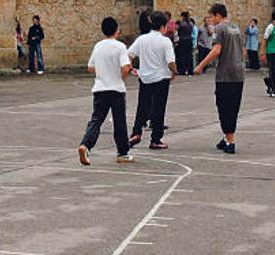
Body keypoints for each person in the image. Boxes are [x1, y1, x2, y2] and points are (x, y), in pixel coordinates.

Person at [77, 17, 134, 165]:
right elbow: (125, 67)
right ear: (116, 30)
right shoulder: (120, 46)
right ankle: (122, 152)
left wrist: (103, 71)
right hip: (116, 88)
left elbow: (90, 67)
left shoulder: (98, 46)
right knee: (119, 121)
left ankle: (85, 145)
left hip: (100, 88)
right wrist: (120, 76)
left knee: (96, 119)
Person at [193, 3, 244, 154]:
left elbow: (216, 50)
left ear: (217, 15)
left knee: (224, 106)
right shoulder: (236, 28)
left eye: (211, 17)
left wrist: (200, 65)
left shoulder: (219, 29)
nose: (210, 20)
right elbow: (243, 49)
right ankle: (226, 138)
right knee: (233, 106)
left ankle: (230, 141)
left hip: (226, 73)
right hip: (239, 72)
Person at [128, 11, 177, 150]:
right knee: (159, 108)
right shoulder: (165, 41)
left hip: (145, 77)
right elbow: (170, 61)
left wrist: (131, 68)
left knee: (142, 106)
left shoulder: (142, 39)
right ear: (163, 25)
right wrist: (174, 71)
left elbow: (129, 54)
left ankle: (136, 132)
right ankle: (156, 138)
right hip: (161, 78)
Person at [176, 11, 194, 76]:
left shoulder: (181, 24)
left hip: (182, 40)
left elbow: (179, 32)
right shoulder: (191, 23)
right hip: (189, 40)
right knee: (189, 56)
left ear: (183, 16)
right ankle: (190, 70)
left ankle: (182, 70)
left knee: (182, 56)